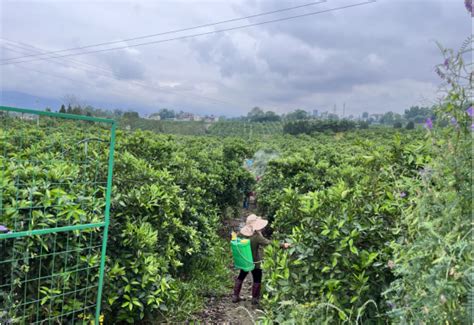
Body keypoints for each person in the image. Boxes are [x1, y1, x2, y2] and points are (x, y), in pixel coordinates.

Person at [232, 214, 290, 305]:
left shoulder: (241, 234)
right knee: (257, 278)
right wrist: (282, 245)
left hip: (244, 260)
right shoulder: (257, 236)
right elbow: (269, 243)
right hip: (254, 262)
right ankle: (255, 299)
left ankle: (235, 296)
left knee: (241, 276)